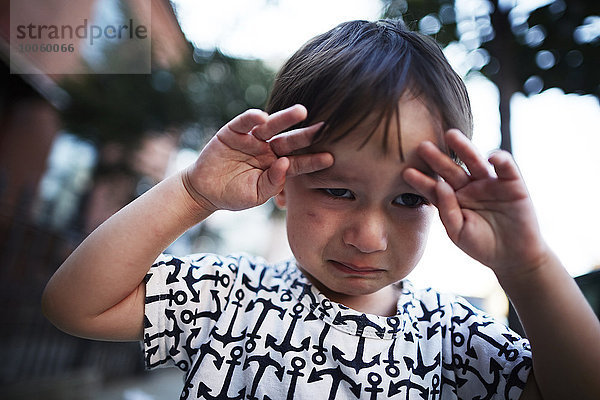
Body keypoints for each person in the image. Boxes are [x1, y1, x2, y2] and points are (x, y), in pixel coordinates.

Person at [42, 19, 600, 399]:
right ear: (282, 181)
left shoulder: (454, 338)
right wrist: (192, 193)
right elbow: (75, 305)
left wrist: (528, 269)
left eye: (408, 200)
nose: (368, 237)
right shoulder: (232, 302)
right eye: (338, 191)